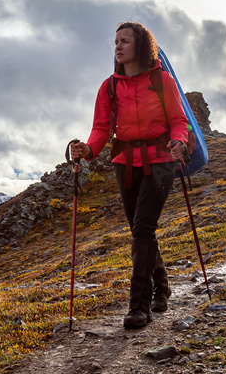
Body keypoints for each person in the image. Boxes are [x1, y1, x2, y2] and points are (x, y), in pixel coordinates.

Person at [69, 22, 189, 328]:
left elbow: (178, 120)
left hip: (161, 161)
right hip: (125, 162)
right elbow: (101, 129)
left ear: (141, 46)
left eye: (124, 41)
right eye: (115, 42)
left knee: (143, 229)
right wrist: (87, 149)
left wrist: (180, 141)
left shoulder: (163, 81)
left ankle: (140, 306)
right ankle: (162, 287)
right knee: (141, 231)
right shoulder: (109, 87)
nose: (118, 47)